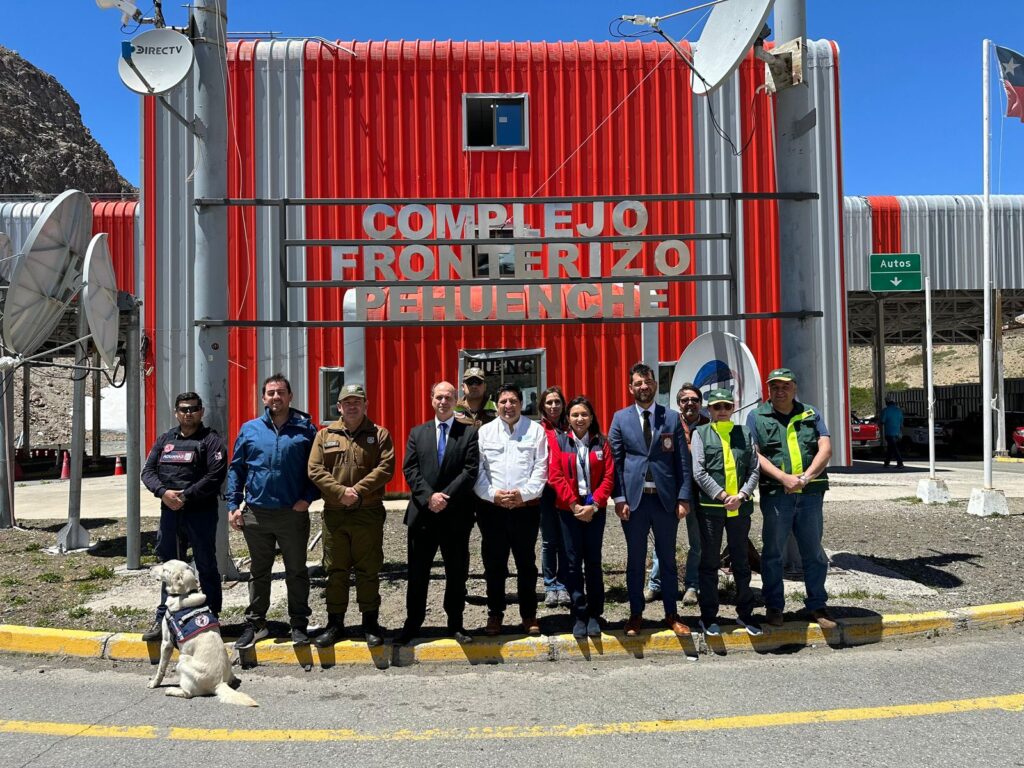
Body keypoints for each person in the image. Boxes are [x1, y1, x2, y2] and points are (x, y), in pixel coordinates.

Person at [226, 373, 320, 649]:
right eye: (271, 393)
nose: (276, 396)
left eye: (281, 392)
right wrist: (233, 505)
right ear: (263, 398)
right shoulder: (250, 429)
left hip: (292, 514)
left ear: (290, 396)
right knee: (259, 571)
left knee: (296, 571)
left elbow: (317, 469)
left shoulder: (306, 430)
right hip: (256, 514)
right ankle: (256, 623)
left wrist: (307, 499)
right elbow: (237, 469)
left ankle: (298, 624)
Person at [747, 367, 836, 630]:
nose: (780, 390)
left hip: (810, 494)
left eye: (785, 386)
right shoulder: (757, 416)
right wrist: (784, 478)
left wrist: (804, 478)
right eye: (774, 386)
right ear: (768, 389)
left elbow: (825, 449)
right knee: (772, 553)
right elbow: (755, 454)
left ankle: (817, 605)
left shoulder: (811, 413)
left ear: (794, 387)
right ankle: (774, 606)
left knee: (813, 552)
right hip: (777, 495)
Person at [307, 384, 396, 648]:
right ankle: (335, 624)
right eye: (347, 402)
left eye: (357, 402)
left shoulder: (379, 434)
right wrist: (340, 492)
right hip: (336, 514)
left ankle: (370, 623)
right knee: (336, 570)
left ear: (366, 405)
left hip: (368, 512)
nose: (352, 406)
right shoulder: (325, 435)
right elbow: (315, 469)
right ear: (339, 407)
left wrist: (356, 491)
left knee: (369, 569)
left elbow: (386, 468)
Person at [609, 362, 693, 637]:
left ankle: (671, 614)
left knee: (667, 559)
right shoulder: (620, 419)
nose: (643, 387)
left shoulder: (671, 418)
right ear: (630, 387)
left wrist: (684, 497)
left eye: (647, 382)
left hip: (665, 502)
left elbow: (682, 461)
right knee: (636, 560)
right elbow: (615, 463)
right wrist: (619, 498)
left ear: (655, 385)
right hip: (634, 503)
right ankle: (636, 614)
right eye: (638, 383)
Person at [140, 392, 227, 641]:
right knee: (170, 567)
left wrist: (186, 496)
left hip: (200, 513)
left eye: (193, 409)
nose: (188, 413)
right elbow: (148, 472)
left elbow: (215, 476)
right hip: (170, 512)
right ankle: (165, 618)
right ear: (176, 413)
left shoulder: (211, 441)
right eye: (183, 409)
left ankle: (210, 616)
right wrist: (163, 492)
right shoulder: (165, 439)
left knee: (206, 564)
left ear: (201, 412)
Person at [396, 381, 479, 645]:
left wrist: (445, 497)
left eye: (448, 397)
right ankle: (413, 623)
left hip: (456, 516)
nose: (443, 402)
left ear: (456, 400)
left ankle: (455, 623)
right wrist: (429, 496)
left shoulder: (469, 433)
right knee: (417, 573)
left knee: (457, 572)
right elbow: (410, 469)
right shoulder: (417, 433)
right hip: (423, 515)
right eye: (439, 397)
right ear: (431, 399)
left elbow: (470, 470)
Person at [474, 383, 549, 636]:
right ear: (496, 405)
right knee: (494, 565)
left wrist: (523, 495)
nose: (508, 406)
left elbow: (541, 469)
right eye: (503, 401)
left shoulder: (535, 431)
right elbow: (478, 470)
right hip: (492, 510)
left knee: (526, 564)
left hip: (525, 509)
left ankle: (529, 615)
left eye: (513, 401)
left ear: (521, 403)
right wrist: (492, 495)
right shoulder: (485, 432)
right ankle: (495, 614)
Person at [690, 388, 762, 637]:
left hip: (739, 509)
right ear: (709, 409)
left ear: (733, 408)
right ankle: (709, 616)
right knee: (710, 562)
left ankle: (745, 613)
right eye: (717, 407)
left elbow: (754, 468)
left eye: (727, 406)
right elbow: (699, 471)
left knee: (741, 562)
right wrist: (722, 496)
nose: (722, 411)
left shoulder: (744, 433)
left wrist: (741, 496)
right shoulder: (700, 434)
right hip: (712, 509)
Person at [548, 396, 614, 639]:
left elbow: (609, 477)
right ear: (568, 418)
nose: (579, 419)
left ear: (591, 417)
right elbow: (555, 475)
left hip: (595, 510)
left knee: (593, 562)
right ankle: (578, 612)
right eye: (575, 414)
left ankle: (595, 612)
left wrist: (593, 505)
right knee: (572, 562)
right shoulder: (560, 442)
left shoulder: (602, 442)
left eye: (584, 414)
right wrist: (574, 505)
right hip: (569, 511)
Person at [645, 383, 707, 606]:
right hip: (672, 491)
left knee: (697, 542)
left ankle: (692, 585)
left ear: (701, 403)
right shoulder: (668, 423)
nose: (690, 403)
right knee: (663, 541)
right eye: (684, 400)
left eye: (694, 400)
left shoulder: (708, 426)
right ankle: (655, 584)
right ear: (679, 404)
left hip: (700, 492)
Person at [539, 385, 570, 609]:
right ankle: (550, 586)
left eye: (557, 402)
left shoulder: (571, 427)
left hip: (568, 491)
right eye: (549, 402)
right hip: (546, 491)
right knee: (549, 541)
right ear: (542, 406)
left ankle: (565, 584)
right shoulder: (537, 430)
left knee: (567, 540)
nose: (553, 406)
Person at [880, 396, 904, 468]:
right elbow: (901, 423)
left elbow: (882, 421)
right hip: (897, 433)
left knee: (894, 448)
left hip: (889, 432)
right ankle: (886, 462)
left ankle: (900, 463)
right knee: (891, 447)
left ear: (887, 402)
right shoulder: (899, 411)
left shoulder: (885, 410)